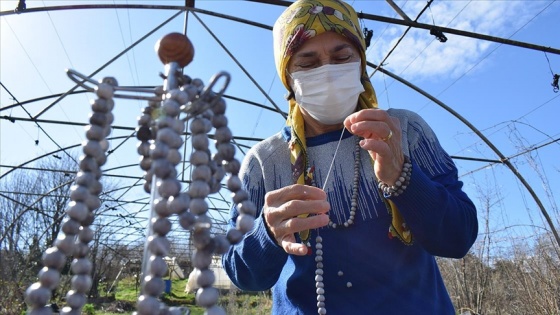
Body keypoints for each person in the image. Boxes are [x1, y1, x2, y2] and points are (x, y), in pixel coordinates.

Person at [222, 0, 478, 314]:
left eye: (342, 57)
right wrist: (268, 234)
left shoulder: (402, 131)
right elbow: (243, 275)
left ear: (360, 62)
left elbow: (459, 238)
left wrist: (404, 178)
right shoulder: (265, 161)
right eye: (308, 62)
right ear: (288, 76)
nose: (327, 72)